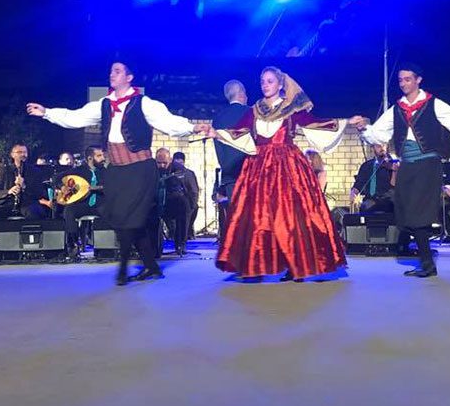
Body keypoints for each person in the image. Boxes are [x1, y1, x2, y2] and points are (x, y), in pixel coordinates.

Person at [27, 61, 204, 285]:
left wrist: (191, 127)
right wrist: (47, 113)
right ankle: (151, 266)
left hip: (140, 169)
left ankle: (122, 269)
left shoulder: (144, 103)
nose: (112, 74)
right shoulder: (104, 104)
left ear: (129, 77)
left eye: (118, 71)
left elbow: (168, 122)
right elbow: (76, 117)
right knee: (121, 218)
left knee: (130, 218)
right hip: (116, 171)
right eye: (111, 71)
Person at [208, 66, 349, 281]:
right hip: (259, 168)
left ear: (280, 84)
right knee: (260, 217)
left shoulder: (291, 109)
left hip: (287, 167)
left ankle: (296, 264)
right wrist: (216, 133)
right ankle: (257, 261)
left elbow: (314, 124)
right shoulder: (254, 110)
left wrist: (347, 122)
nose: (265, 85)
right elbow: (239, 132)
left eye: (270, 81)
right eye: (262, 81)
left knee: (292, 216)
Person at [351, 63, 450, 278]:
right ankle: (426, 260)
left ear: (418, 80)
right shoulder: (397, 108)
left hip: (428, 163)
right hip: (407, 165)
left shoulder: (433, 103)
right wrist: (363, 127)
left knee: (418, 212)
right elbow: (379, 134)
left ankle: (427, 264)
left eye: (407, 79)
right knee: (404, 211)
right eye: (400, 80)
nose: (403, 83)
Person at [211, 79, 250, 240]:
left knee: (237, 218)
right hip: (250, 173)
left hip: (229, 175)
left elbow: (218, 148)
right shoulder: (250, 113)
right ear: (241, 93)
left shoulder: (217, 118)